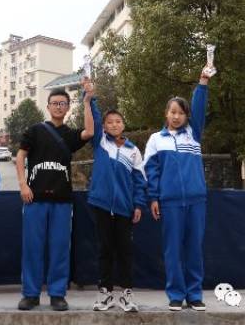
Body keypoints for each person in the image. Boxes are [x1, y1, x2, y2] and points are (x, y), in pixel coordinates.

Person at [16, 80, 94, 312]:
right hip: (35, 199)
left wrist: (88, 101)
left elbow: (89, 131)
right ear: (48, 106)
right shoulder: (35, 130)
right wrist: (23, 185)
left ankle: (57, 294)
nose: (59, 107)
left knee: (60, 248)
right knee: (32, 248)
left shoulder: (69, 135)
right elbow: (20, 157)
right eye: (55, 103)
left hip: (62, 200)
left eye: (63, 103)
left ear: (68, 107)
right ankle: (30, 294)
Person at [143, 64, 213, 312]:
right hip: (169, 202)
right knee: (172, 250)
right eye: (172, 112)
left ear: (186, 116)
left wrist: (202, 83)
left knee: (194, 249)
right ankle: (175, 294)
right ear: (166, 114)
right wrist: (153, 198)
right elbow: (150, 172)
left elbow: (200, 108)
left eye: (181, 113)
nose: (176, 116)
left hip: (196, 201)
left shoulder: (193, 135)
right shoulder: (155, 140)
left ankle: (194, 295)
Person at [87, 103, 146, 312]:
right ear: (104, 126)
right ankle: (105, 293)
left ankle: (126, 294)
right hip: (100, 206)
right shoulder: (100, 142)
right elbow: (92, 120)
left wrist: (138, 205)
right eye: (109, 122)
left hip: (124, 209)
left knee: (125, 251)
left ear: (124, 124)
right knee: (104, 250)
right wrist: (91, 99)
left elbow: (140, 181)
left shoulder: (133, 151)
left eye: (118, 121)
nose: (114, 124)